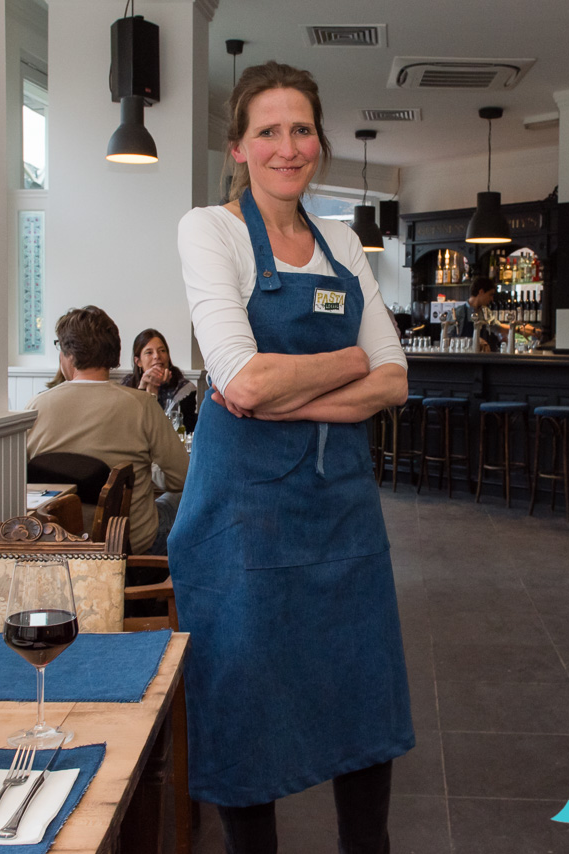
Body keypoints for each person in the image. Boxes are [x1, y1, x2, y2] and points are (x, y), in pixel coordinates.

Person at [170, 61, 414, 853]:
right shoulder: (210, 230)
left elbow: (393, 381)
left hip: (343, 512)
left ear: (320, 141)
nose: (288, 146)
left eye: (301, 129)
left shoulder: (341, 240)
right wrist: (347, 362)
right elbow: (241, 378)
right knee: (245, 711)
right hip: (243, 520)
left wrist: (286, 394)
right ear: (239, 147)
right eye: (268, 131)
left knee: (364, 700)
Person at [26, 306, 188, 555]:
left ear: (68, 355)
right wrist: (146, 475)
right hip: (127, 545)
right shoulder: (142, 405)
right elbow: (182, 478)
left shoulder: (35, 407)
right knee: (178, 501)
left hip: (55, 543)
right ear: (113, 353)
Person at [120, 328, 198, 433]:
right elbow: (129, 427)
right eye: (149, 352)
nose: (157, 356)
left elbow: (181, 431)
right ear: (138, 362)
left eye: (162, 351)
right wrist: (143, 388)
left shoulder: (184, 389)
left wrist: (153, 389)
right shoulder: (126, 387)